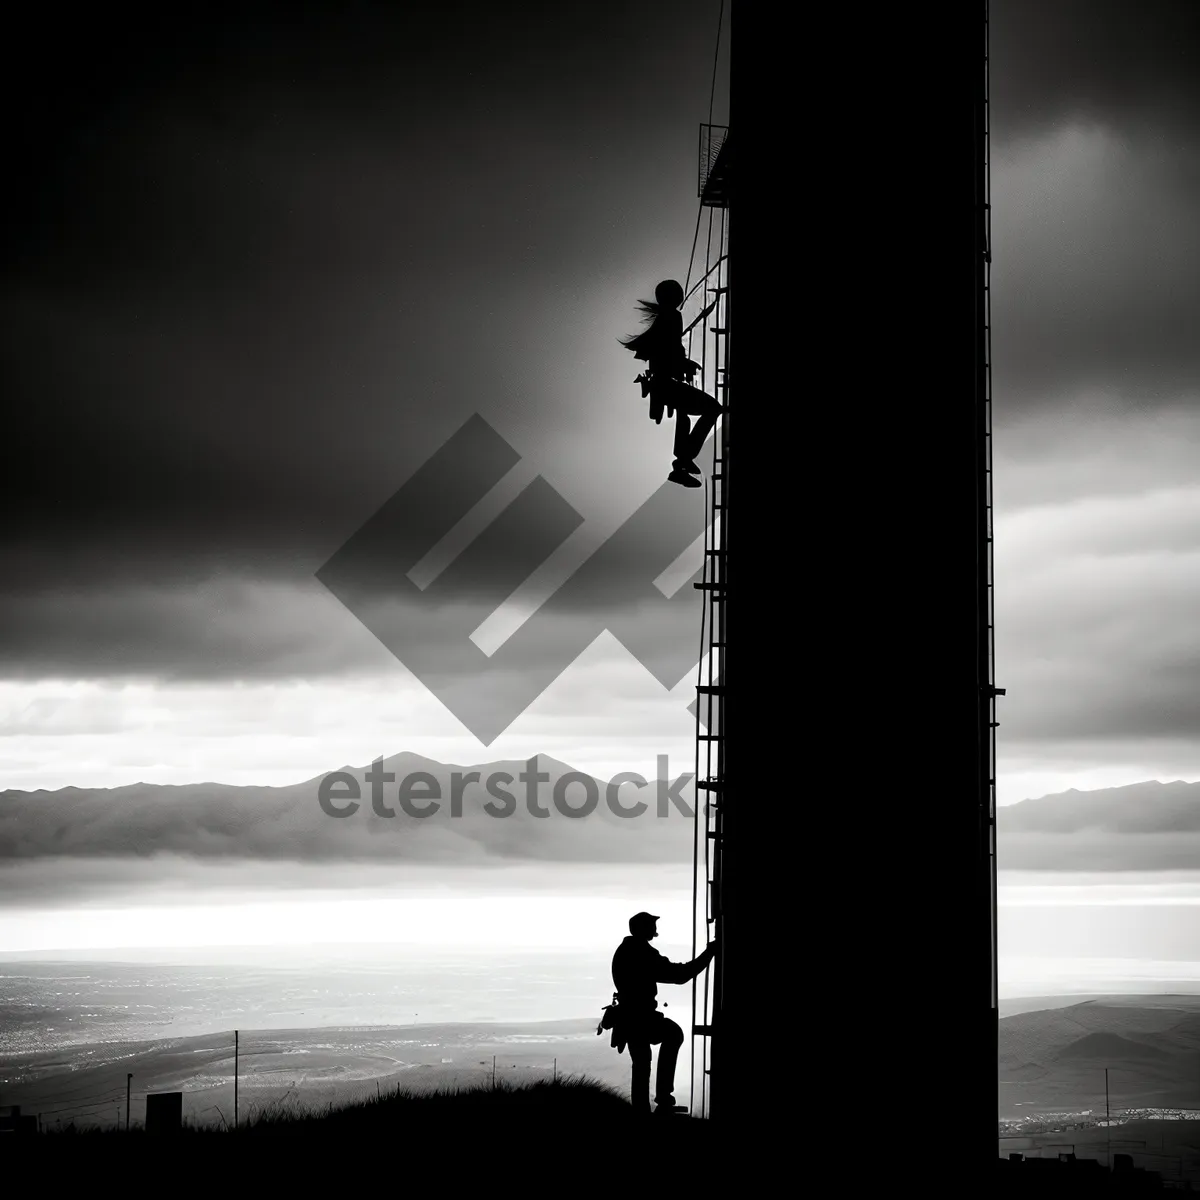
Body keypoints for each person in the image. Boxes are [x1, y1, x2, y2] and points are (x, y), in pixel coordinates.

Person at [611, 911, 717, 1116]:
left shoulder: (627, 950)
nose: (655, 930)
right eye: (652, 926)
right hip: (639, 1015)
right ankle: (663, 1101)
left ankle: (644, 1109)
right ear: (643, 929)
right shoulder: (640, 952)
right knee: (672, 1034)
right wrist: (708, 954)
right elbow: (679, 975)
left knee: (641, 1062)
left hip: (630, 1016)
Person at [620, 280, 722, 489]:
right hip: (665, 383)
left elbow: (666, 349)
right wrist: (684, 363)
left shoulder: (663, 318)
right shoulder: (672, 317)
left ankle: (681, 463)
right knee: (712, 408)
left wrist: (683, 363)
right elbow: (670, 348)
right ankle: (683, 461)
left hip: (662, 384)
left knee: (683, 416)